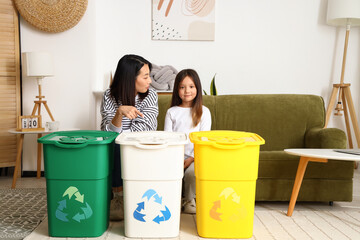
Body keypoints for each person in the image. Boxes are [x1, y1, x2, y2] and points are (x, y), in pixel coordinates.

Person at [101, 54, 159, 220]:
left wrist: (121, 136)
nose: (149, 81)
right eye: (145, 77)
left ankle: (125, 197)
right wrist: (119, 113)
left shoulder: (150, 95)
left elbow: (145, 130)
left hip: (141, 147)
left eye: (149, 76)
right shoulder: (109, 95)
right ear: (129, 78)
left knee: (120, 144)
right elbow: (108, 134)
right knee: (114, 145)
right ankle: (118, 199)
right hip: (115, 148)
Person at [164, 69, 211, 214]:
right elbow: (168, 137)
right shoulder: (172, 112)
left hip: (195, 156)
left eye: (191, 86)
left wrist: (191, 158)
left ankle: (190, 200)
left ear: (197, 88)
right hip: (174, 155)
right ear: (177, 89)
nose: (187, 91)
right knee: (169, 171)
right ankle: (172, 199)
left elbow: (203, 140)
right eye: (182, 87)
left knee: (191, 174)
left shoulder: (204, 111)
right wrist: (177, 158)